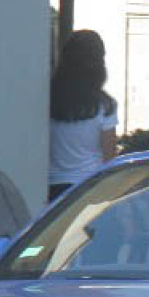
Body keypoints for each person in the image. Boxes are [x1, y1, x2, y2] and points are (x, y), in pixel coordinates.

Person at [48, 30, 118, 201]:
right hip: (89, 187)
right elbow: (109, 157)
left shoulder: (48, 100)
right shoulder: (106, 105)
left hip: (52, 186)